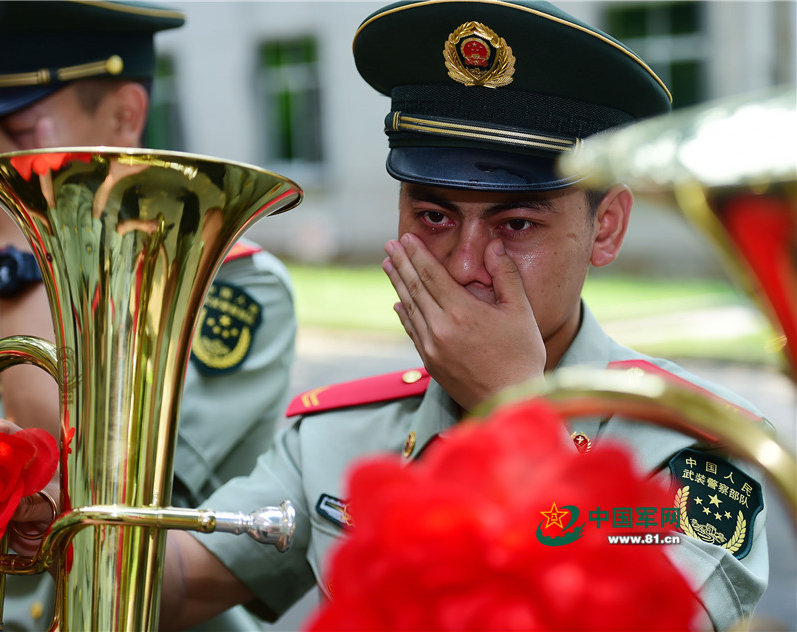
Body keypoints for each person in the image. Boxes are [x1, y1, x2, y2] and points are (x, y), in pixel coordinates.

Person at [129, 2, 765, 630]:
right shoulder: (341, 433)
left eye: (516, 223)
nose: (464, 264)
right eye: (433, 216)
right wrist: (57, 535)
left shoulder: (687, 449)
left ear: (607, 227)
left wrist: (516, 409)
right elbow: (185, 583)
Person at [0, 2, 298, 630]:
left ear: (124, 116)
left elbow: (85, 495)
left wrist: (21, 254)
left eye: (19, 135)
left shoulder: (240, 289)